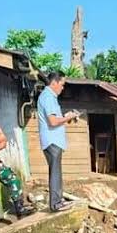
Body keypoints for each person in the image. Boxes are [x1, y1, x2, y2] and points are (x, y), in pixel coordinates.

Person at [37, 71, 80, 212]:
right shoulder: (48, 97)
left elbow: (55, 119)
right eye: (62, 84)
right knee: (55, 172)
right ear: (54, 83)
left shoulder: (49, 97)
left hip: (53, 141)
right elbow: (53, 121)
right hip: (52, 141)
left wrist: (66, 116)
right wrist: (68, 117)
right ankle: (55, 204)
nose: (63, 88)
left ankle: (59, 201)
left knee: (57, 171)